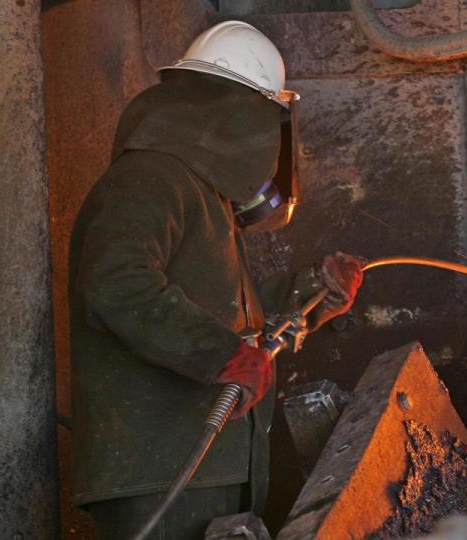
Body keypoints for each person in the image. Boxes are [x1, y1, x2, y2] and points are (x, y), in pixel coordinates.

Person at [68, 21, 364, 539]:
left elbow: (227, 316)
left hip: (207, 468)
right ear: (242, 113)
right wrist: (220, 356)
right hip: (162, 472)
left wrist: (314, 294)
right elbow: (117, 281)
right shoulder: (152, 179)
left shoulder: (202, 196)